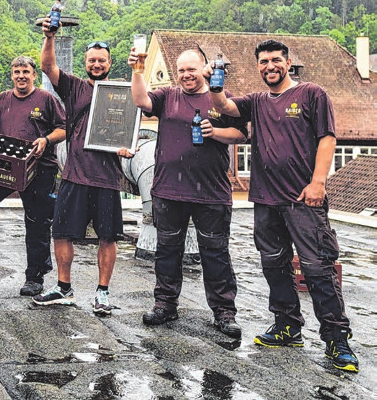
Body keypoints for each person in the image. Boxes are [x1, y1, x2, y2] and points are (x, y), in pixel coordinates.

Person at [206, 39, 358, 372]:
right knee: (274, 266)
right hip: (265, 200)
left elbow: (327, 138)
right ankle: (287, 326)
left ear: (288, 62)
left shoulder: (311, 94)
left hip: (303, 199)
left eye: (276, 60)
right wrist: (213, 82)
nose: (269, 66)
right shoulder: (258, 101)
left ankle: (337, 339)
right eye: (263, 62)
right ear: (258, 66)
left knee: (318, 269)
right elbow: (226, 108)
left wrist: (318, 182)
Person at [130, 47, 247, 336]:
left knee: (216, 254)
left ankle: (224, 312)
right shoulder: (168, 97)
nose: (186, 75)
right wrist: (137, 70)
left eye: (191, 70)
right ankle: (165, 305)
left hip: (212, 192)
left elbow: (243, 133)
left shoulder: (220, 97)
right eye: (181, 70)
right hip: (169, 190)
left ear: (204, 69)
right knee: (167, 252)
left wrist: (214, 132)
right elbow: (140, 100)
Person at [32, 34, 132, 312]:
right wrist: (49, 38)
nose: (97, 64)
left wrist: (127, 146)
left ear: (110, 62)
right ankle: (64, 288)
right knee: (61, 232)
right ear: (85, 63)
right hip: (75, 174)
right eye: (92, 60)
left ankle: (102, 293)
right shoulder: (74, 86)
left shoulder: (122, 91)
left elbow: (131, 125)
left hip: (108, 177)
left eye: (101, 60)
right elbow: (47, 66)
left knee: (108, 237)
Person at [0, 56, 66, 297]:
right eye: (17, 71)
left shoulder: (46, 99)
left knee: (37, 221)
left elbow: (63, 128)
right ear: (12, 75)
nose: (21, 76)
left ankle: (35, 276)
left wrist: (46, 139)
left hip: (40, 167)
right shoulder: (3, 100)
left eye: (26, 72)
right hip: (5, 165)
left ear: (32, 75)